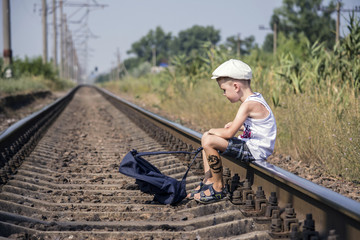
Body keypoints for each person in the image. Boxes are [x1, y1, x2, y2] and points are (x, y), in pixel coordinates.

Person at [189, 59, 277, 204]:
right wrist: (241, 127)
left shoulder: (248, 105)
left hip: (255, 150)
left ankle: (218, 188)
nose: (224, 94)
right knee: (206, 137)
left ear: (236, 86)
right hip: (252, 145)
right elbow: (261, 126)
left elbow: (229, 134)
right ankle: (208, 182)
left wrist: (213, 131)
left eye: (224, 90)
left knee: (209, 139)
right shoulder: (255, 99)